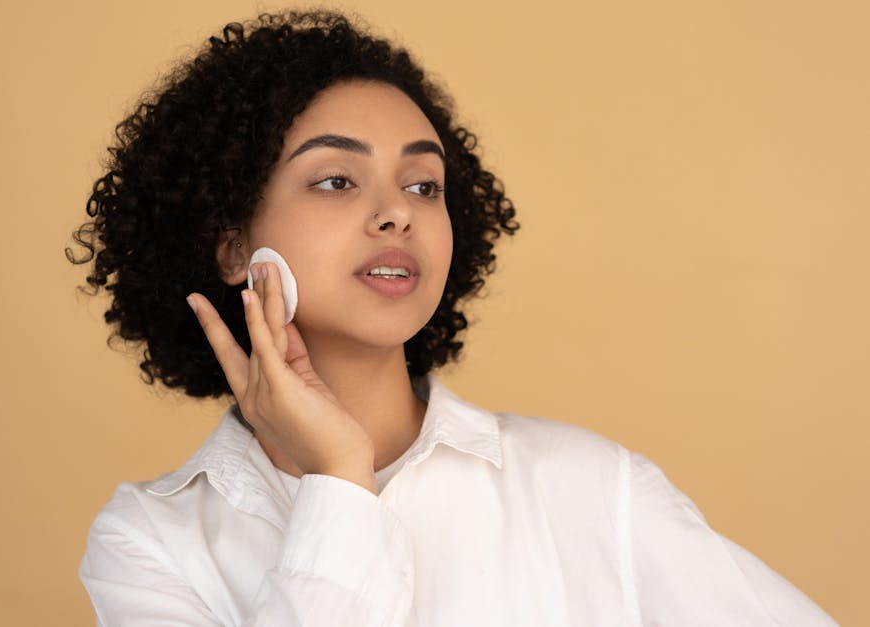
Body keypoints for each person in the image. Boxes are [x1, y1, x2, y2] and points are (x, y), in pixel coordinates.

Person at [69, 10, 837, 626]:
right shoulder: (149, 541)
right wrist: (341, 477)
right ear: (234, 245)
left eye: (424, 185)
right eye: (336, 179)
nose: (396, 212)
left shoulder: (592, 489)